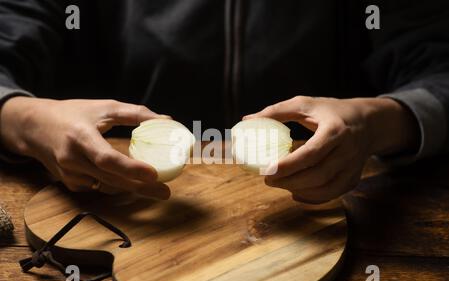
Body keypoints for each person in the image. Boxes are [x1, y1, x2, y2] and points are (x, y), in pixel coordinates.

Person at [0, 0, 448, 204]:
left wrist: (380, 121)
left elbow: (439, 66)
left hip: (312, 205)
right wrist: (26, 118)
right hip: (125, 206)